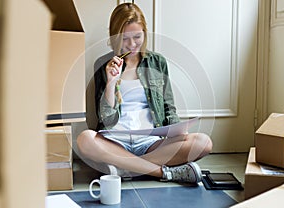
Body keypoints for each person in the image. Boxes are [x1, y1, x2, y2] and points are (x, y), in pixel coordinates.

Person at [77, 3, 212, 183]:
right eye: (125, 38)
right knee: (85, 139)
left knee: (203, 142)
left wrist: (177, 130)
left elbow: (168, 107)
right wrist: (111, 82)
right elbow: (106, 118)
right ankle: (162, 173)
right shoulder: (103, 65)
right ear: (115, 37)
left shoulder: (158, 62)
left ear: (145, 34)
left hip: (150, 143)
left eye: (137, 37)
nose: (132, 44)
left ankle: (124, 168)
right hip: (115, 141)